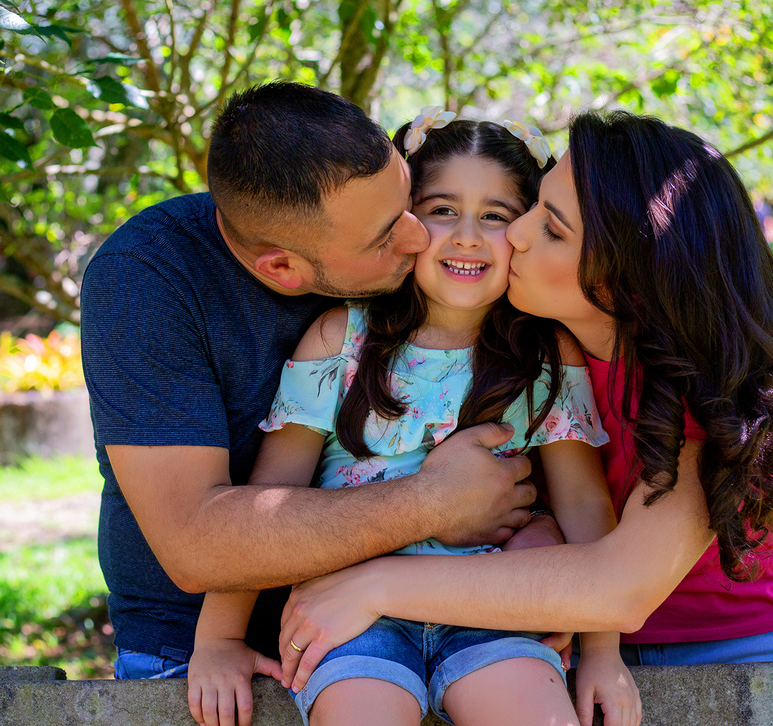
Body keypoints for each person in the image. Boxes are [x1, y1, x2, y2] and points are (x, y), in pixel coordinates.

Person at [276, 111, 773, 726]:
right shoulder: (528, 345)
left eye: (548, 227)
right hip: (552, 630)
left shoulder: (710, 387)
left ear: (624, 270)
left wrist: (371, 585)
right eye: (535, 204)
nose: (512, 233)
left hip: (731, 645)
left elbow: (616, 588)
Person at [187, 114, 620, 726]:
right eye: (442, 210)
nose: (469, 236)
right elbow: (269, 500)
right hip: (349, 619)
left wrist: (603, 653)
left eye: (497, 215)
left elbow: (585, 505)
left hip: (494, 610)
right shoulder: (342, 340)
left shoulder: (544, 355)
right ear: (406, 225)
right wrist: (217, 640)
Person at [80, 83, 544, 681]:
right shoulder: (150, 281)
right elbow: (198, 546)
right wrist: (435, 502)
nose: (417, 236)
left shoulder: (433, 260)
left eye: (409, 201)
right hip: (199, 656)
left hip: (428, 617)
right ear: (283, 269)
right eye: (385, 236)